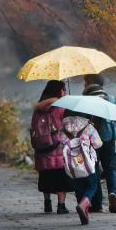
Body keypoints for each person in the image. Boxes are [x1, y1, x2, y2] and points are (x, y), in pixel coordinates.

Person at [31, 80, 73, 214]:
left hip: (41, 147)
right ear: (59, 91)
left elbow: (33, 128)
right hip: (57, 147)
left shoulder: (37, 109)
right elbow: (67, 127)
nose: (65, 92)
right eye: (63, 89)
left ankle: (47, 203)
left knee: (45, 175)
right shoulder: (60, 107)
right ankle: (61, 205)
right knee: (60, 177)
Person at [83, 73, 116, 214]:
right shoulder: (111, 98)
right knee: (110, 167)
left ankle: (97, 205)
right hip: (108, 138)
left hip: (91, 140)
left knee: (94, 169)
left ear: (89, 83)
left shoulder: (84, 100)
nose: (83, 85)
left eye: (85, 82)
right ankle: (114, 193)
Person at [59, 112, 102, 225]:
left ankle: (84, 214)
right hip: (87, 163)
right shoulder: (88, 126)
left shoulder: (63, 128)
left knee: (79, 188)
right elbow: (98, 144)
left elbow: (61, 146)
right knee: (92, 186)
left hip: (73, 165)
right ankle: (83, 205)